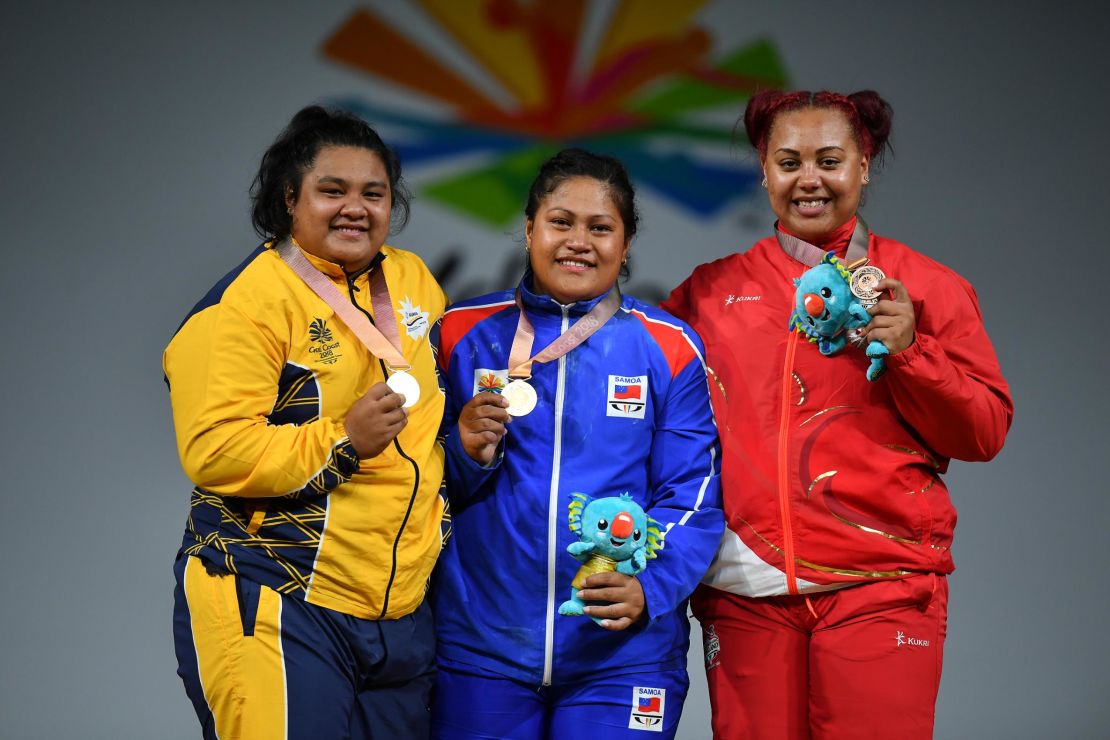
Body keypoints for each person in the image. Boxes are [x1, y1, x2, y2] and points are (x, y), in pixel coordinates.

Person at [662, 90, 1014, 739]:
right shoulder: (707, 295)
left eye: (829, 159)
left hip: (881, 584)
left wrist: (911, 351)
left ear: (863, 166)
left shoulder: (927, 286)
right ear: (764, 171)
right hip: (747, 589)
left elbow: (984, 431)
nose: (809, 180)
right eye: (789, 161)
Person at [165, 105, 447, 739]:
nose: (355, 207)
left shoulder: (412, 281)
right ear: (289, 198)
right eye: (332, 190)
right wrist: (344, 440)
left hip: (398, 617)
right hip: (275, 596)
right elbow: (214, 450)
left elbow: (427, 431)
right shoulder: (243, 305)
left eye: (373, 193)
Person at [430, 148, 724, 739]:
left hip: (621, 655)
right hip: (480, 652)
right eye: (561, 222)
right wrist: (462, 452)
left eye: (600, 227)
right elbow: (410, 483)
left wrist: (650, 585)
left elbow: (693, 494)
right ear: (530, 227)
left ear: (627, 238)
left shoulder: (668, 347)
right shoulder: (459, 333)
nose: (578, 242)